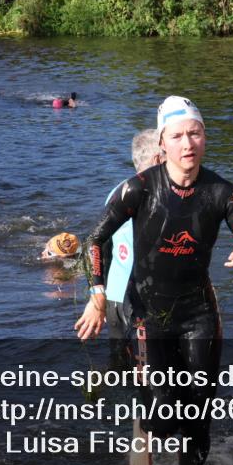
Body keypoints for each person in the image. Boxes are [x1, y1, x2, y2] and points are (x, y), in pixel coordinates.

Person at [83, 96, 233, 465]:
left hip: (198, 312)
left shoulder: (223, 193)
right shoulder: (138, 189)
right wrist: (96, 294)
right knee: (161, 415)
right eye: (177, 135)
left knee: (198, 411)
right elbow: (95, 239)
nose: (187, 143)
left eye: (194, 133)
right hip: (146, 312)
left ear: (204, 137)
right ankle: (146, 431)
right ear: (163, 143)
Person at [74, 129, 164, 356]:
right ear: (157, 160)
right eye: (168, 153)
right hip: (136, 301)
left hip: (114, 298)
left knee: (121, 369)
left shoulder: (118, 191)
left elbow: (101, 249)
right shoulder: (155, 196)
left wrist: (98, 296)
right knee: (152, 375)